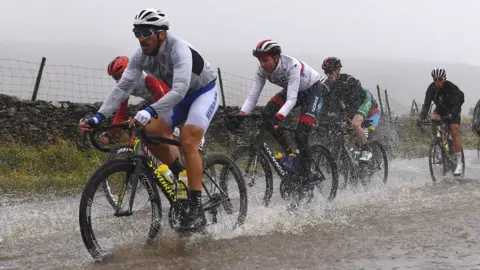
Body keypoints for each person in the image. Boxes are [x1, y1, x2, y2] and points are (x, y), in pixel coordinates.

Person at [79, 8, 219, 233]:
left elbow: (180, 90)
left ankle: (196, 206)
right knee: (149, 132)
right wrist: (98, 116)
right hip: (179, 97)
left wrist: (151, 110)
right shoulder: (139, 56)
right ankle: (180, 173)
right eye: (137, 32)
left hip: (202, 92)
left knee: (188, 140)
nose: (140, 38)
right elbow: (122, 88)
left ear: (161, 34)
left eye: (146, 32)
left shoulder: (179, 49)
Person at [234, 39, 323, 180]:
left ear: (276, 58)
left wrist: (279, 117)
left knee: (301, 134)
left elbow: (291, 100)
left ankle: (307, 173)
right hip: (294, 91)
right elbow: (252, 97)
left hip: (312, 90)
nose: (262, 65)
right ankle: (290, 154)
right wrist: (241, 114)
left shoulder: (291, 66)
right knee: (267, 113)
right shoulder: (261, 71)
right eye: (260, 61)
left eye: (265, 60)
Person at [319, 57, 379, 162]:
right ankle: (354, 158)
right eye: (326, 72)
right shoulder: (329, 85)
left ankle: (367, 149)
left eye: (330, 71)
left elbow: (355, 104)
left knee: (355, 124)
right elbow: (327, 105)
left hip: (364, 101)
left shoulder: (348, 81)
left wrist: (343, 116)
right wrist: (320, 118)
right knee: (342, 131)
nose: (328, 75)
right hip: (351, 106)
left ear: (337, 70)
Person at [419, 68, 465, 176]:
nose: (437, 82)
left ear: (444, 78)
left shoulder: (450, 87)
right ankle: (438, 142)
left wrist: (450, 115)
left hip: (453, 108)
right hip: (441, 107)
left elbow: (456, 105)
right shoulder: (432, 88)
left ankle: (459, 163)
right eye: (435, 79)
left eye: (440, 79)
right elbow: (426, 104)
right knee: (434, 119)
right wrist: (421, 118)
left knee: (454, 130)